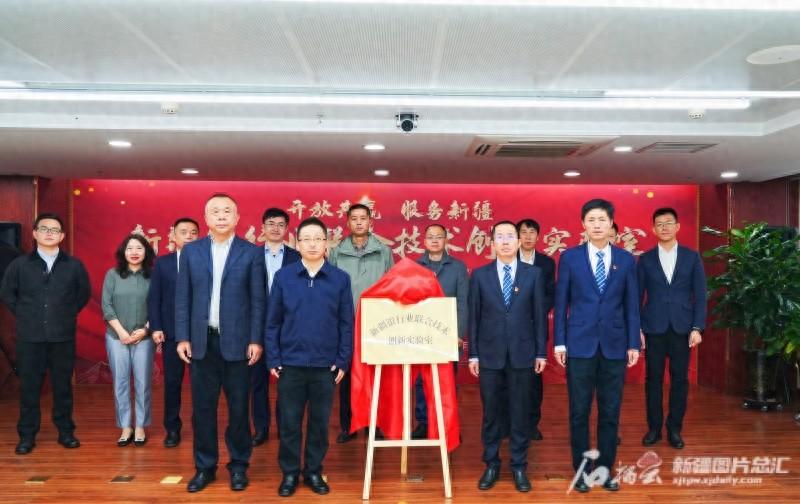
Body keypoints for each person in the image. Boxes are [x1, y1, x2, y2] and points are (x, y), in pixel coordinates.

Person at [175, 193, 266, 493]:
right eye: (215, 211)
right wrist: (183, 336)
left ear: (237, 218)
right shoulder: (191, 252)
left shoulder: (251, 253)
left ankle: (238, 466)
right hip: (202, 343)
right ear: (206, 218)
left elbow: (258, 300)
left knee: (239, 409)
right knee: (202, 410)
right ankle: (205, 467)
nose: (222, 215)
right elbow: (183, 297)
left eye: (228, 211)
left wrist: (256, 339)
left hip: (238, 343)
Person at [554, 199, 640, 493]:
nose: (597, 225)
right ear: (583, 225)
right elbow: (561, 303)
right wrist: (560, 342)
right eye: (591, 220)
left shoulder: (626, 260)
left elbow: (631, 305)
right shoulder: (570, 258)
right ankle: (581, 471)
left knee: (610, 412)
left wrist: (633, 343)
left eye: (602, 219)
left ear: (611, 223)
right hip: (579, 345)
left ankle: (604, 470)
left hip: (615, 346)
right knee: (579, 411)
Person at [267, 217, 354, 497]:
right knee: (290, 423)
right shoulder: (284, 277)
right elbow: (273, 322)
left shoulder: (340, 279)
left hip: (325, 366)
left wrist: (343, 360)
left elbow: (346, 324)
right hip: (290, 365)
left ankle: (314, 471)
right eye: (306, 239)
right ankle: (290, 473)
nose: (313, 244)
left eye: (318, 238)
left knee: (319, 423)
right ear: (297, 243)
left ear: (327, 243)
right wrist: (273, 358)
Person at [0, 213, 90, 455]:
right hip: (30, 338)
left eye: (55, 230)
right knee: (29, 389)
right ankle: (27, 436)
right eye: (44, 228)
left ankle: (66, 432)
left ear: (62, 236)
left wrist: (66, 313)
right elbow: (7, 293)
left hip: (62, 337)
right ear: (35, 233)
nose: (49, 233)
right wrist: (25, 313)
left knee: (63, 388)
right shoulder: (19, 265)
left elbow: (83, 294)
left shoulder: (74, 266)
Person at [468, 220, 547, 493]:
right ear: (492, 243)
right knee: (491, 413)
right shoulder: (480, 275)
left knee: (520, 412)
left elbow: (539, 316)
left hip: (523, 354)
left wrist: (541, 351)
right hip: (489, 354)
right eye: (499, 237)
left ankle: (519, 466)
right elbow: (474, 317)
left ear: (518, 242)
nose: (505, 241)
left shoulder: (533, 274)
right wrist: (473, 354)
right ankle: (491, 463)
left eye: (510, 236)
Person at [638, 207, 706, 449]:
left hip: (682, 328)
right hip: (653, 328)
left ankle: (675, 429)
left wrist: (697, 327)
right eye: (659, 224)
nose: (664, 227)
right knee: (653, 380)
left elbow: (700, 295)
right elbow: (637, 296)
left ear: (677, 226)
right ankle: (654, 428)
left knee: (680, 380)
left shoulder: (692, 257)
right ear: (653, 229)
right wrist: (638, 329)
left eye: (668, 223)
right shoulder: (645, 259)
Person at [327, 203, 393, 443]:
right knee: (345, 376)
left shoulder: (383, 251)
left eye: (362, 218)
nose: (358, 222)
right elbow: (330, 288)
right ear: (347, 222)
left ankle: (376, 426)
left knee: (375, 377)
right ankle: (349, 426)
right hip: (345, 322)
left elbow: (391, 286)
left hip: (375, 323)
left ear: (370, 222)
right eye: (353, 218)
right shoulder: (337, 252)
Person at [412, 223, 468, 440]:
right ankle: (424, 423)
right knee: (420, 382)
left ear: (446, 240)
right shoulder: (415, 267)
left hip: (448, 335)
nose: (434, 240)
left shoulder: (458, 267)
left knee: (447, 382)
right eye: (430, 237)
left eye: (439, 237)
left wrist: (459, 334)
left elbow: (463, 303)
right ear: (424, 241)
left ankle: (447, 424)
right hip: (420, 335)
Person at [147, 217, 199, 448]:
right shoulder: (163, 263)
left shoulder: (206, 261)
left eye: (193, 232)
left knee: (200, 385)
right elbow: (154, 298)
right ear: (173, 236)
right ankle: (172, 429)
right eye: (184, 232)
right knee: (172, 384)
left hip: (200, 334)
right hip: (171, 333)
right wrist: (156, 327)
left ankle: (200, 427)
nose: (189, 236)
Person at [251, 207, 300, 447]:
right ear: (263, 227)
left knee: (286, 384)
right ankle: (261, 429)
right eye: (271, 223)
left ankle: (284, 428)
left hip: (287, 327)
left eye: (281, 224)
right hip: (256, 327)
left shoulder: (296, 257)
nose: (275, 228)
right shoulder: (250, 255)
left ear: (287, 229)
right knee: (257, 382)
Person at [102, 234, 157, 447]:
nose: (134, 252)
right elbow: (107, 305)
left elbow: (159, 305)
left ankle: (140, 425)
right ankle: (126, 426)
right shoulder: (113, 275)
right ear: (123, 252)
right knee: (121, 382)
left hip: (144, 337)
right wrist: (121, 332)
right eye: (130, 248)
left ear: (146, 252)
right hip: (116, 336)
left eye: (139, 248)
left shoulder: (154, 275)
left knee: (143, 383)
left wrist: (145, 330)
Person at [516, 218, 555, 441]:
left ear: (538, 236)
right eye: (524, 232)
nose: (528, 236)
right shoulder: (508, 259)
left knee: (534, 378)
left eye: (532, 232)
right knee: (510, 377)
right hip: (511, 328)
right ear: (517, 236)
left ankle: (532, 424)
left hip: (535, 327)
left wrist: (534, 312)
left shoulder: (546, 263)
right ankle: (510, 423)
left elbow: (550, 294)